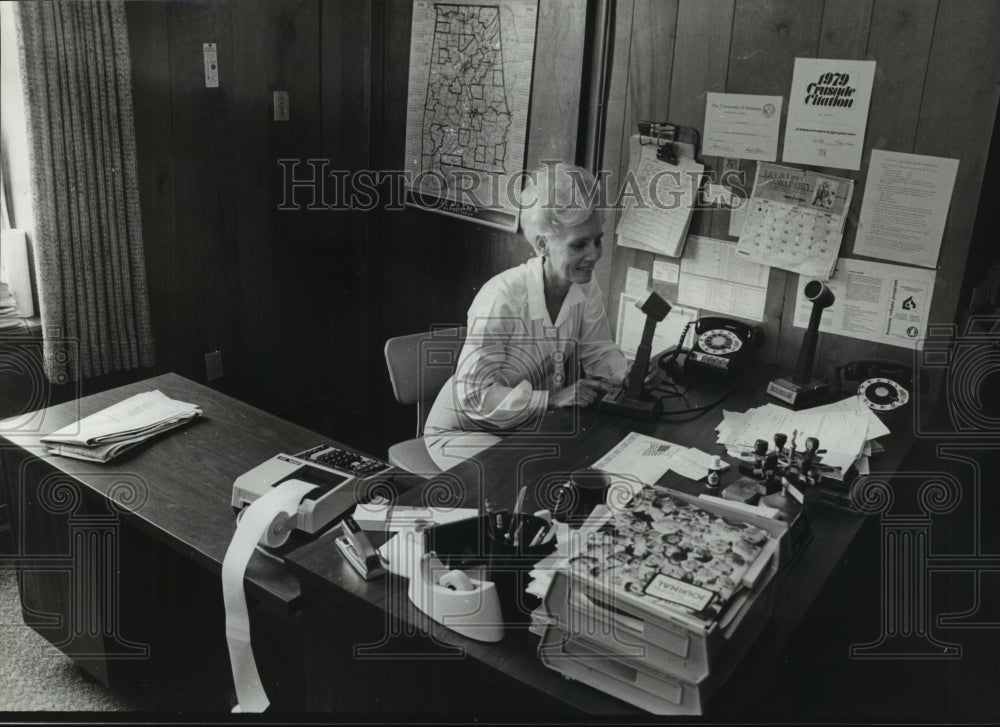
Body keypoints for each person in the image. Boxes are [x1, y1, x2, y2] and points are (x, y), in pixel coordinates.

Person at [424, 162, 658, 435]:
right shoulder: (501, 297)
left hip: (522, 423)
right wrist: (551, 399)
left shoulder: (583, 284)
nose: (595, 254)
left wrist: (626, 374)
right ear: (543, 244)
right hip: (462, 428)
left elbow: (598, 348)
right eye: (579, 244)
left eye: (597, 240)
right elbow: (473, 396)